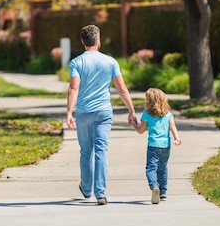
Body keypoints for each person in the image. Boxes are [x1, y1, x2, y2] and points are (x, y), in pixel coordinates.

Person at [66, 25, 136, 205]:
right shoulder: (110, 62)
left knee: (86, 152)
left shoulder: (76, 62)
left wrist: (69, 112)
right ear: (98, 40)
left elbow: (74, 88)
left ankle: (87, 188)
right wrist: (131, 110)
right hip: (104, 112)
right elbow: (122, 89)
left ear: (83, 42)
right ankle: (101, 193)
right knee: (101, 151)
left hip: (83, 113)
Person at [133, 87, 181, 204]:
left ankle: (154, 186)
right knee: (162, 169)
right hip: (166, 146)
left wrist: (134, 124)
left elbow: (140, 130)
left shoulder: (147, 115)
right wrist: (177, 138)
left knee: (151, 168)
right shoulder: (168, 115)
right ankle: (163, 192)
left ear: (149, 102)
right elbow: (172, 127)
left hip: (153, 146)